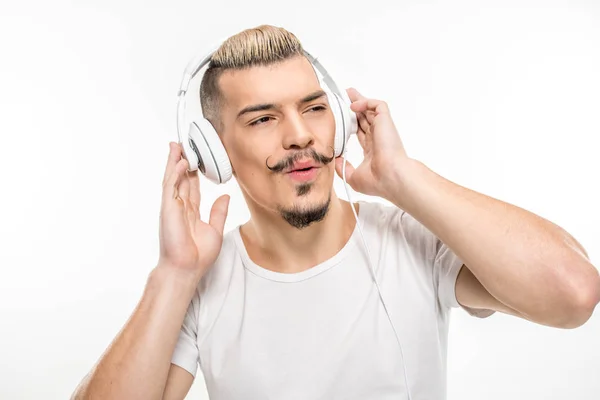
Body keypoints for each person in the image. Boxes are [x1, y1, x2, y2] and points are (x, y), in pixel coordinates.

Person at [71, 25, 600, 400]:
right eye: (262, 119)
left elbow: (573, 295)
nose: (299, 134)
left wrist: (402, 177)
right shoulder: (200, 286)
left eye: (314, 107)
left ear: (341, 123)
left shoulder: (414, 241)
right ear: (214, 154)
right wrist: (173, 275)